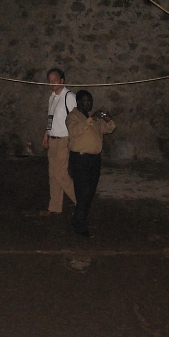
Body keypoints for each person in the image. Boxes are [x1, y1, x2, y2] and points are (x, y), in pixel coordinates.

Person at [66, 90, 116, 236]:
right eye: (86, 101)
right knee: (83, 193)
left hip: (94, 159)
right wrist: (90, 119)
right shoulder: (72, 116)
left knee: (90, 192)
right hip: (80, 159)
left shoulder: (94, 116)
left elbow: (109, 128)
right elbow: (74, 131)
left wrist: (107, 119)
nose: (89, 104)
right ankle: (80, 226)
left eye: (90, 101)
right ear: (79, 102)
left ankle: (77, 218)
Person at [40, 68, 77, 216]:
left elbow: (76, 120)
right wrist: (46, 134)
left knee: (61, 174)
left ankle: (81, 201)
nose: (52, 83)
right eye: (50, 80)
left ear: (62, 80)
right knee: (53, 175)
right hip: (53, 139)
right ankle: (54, 207)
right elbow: (51, 118)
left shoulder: (69, 97)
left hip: (64, 139)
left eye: (55, 80)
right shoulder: (52, 97)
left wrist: (72, 140)